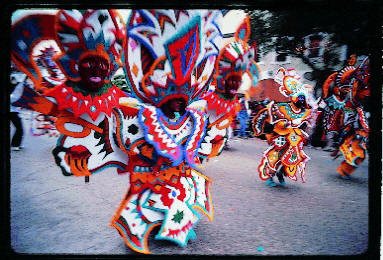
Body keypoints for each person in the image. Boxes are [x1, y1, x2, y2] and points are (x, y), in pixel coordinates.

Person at [252, 67, 312, 187]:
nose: (301, 101)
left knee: (291, 161)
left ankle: (281, 174)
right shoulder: (281, 107)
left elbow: (305, 125)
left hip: (294, 141)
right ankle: (270, 176)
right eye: (299, 98)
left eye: (302, 98)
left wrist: (304, 132)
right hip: (281, 137)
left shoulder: (304, 111)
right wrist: (285, 124)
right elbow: (274, 122)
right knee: (275, 157)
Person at [10, 71, 26, 151]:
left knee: (19, 128)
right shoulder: (18, 85)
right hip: (12, 110)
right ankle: (15, 144)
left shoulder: (19, 85)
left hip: (14, 110)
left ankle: (16, 143)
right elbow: (14, 97)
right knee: (19, 128)